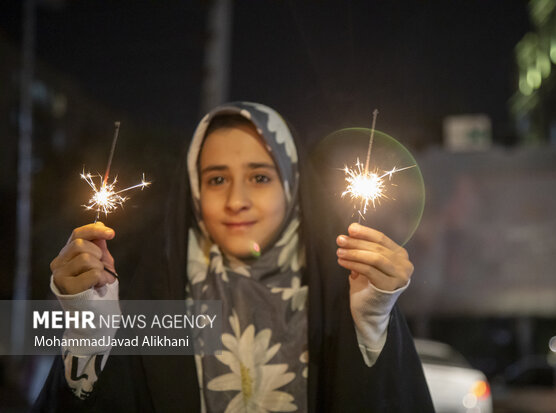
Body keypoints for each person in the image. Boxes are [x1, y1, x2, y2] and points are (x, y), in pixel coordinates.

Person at [34, 102, 434, 412]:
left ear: (291, 186)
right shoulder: (148, 292)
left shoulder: (347, 292)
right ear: (195, 191)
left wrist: (373, 325)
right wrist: (90, 329)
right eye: (217, 179)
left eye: (260, 177)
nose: (237, 201)